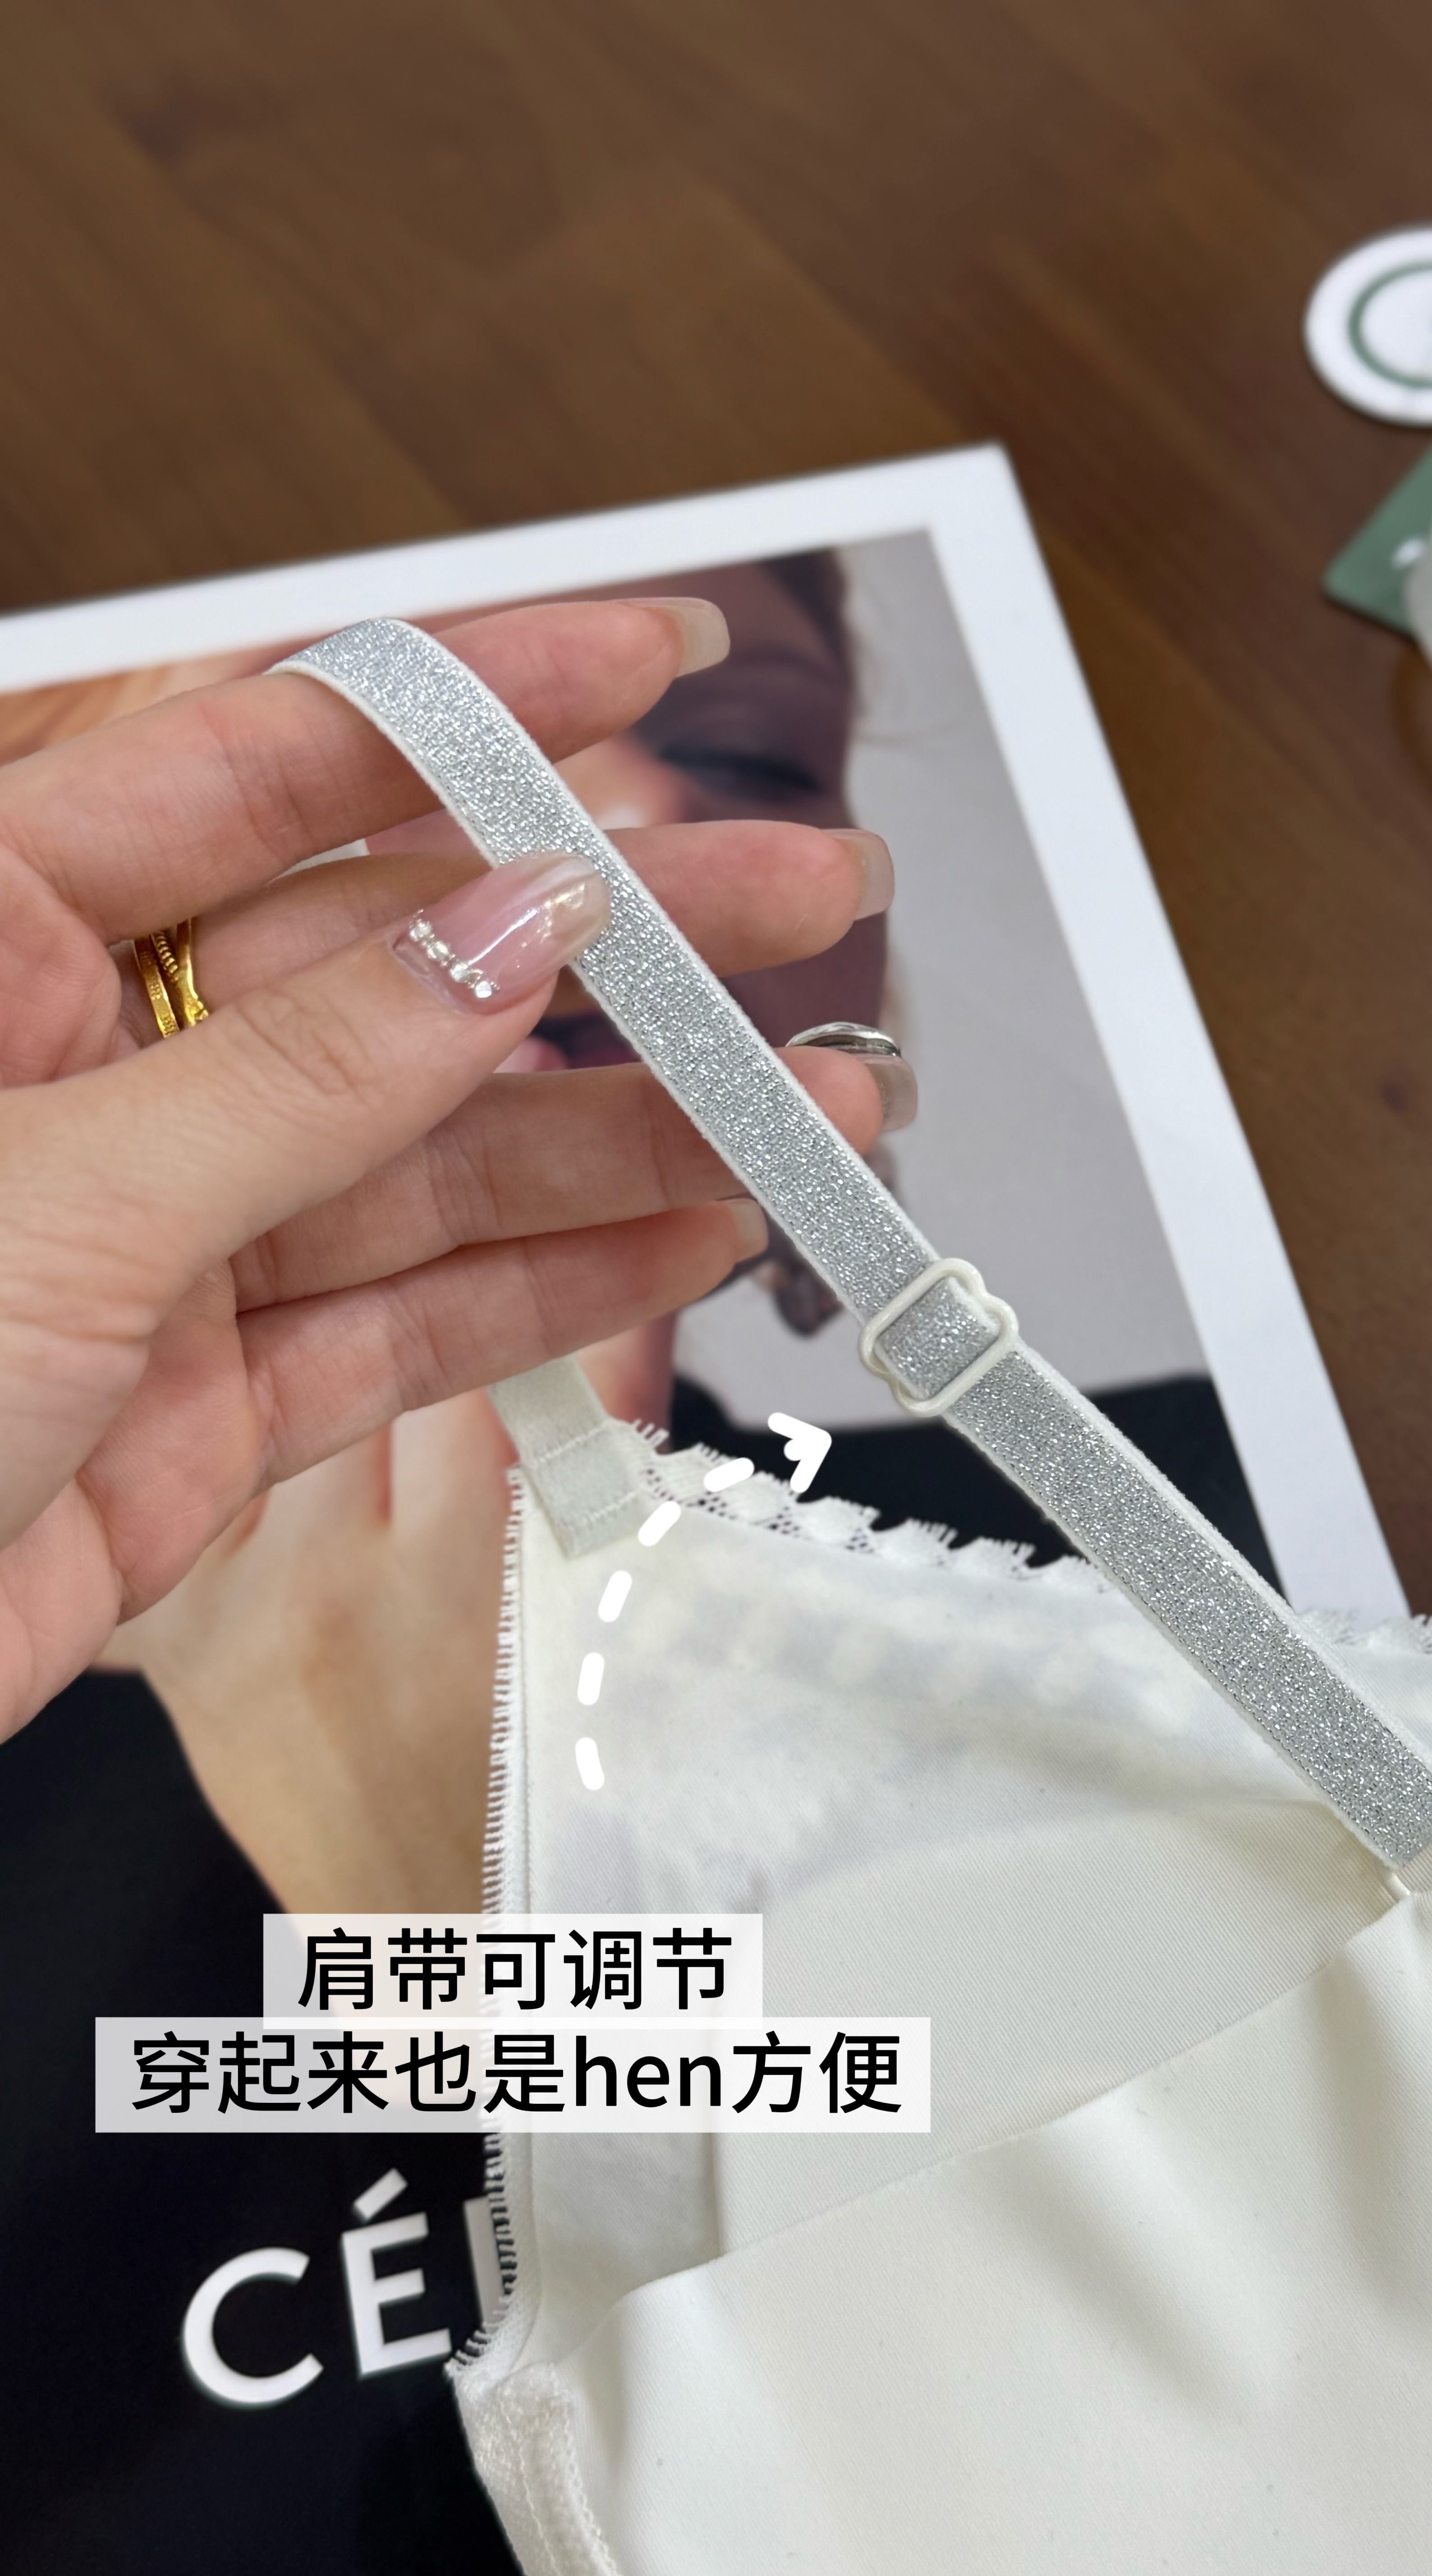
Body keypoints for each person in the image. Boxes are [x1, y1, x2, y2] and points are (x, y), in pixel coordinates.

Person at [0, 577, 900, 2575]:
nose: (630, 813)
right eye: (375, 764)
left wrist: (475, 1918)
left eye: (750, 758)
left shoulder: (1129, 1563)